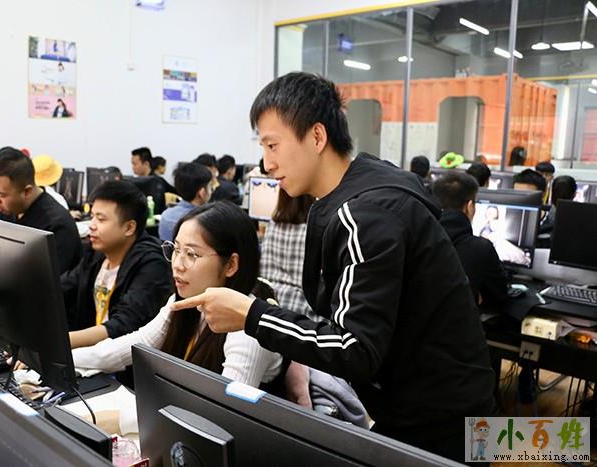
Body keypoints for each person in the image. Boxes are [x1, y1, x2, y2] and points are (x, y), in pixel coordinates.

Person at [170, 72, 494, 462]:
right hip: (427, 400)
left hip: (440, 415)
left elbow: (355, 349)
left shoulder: (366, 215)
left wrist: (252, 315)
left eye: (273, 145)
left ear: (317, 136)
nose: (267, 164)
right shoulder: (354, 196)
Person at [72, 202, 282, 389]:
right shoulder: (184, 299)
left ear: (231, 265)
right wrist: (63, 359)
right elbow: (134, 344)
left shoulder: (247, 322)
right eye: (176, 250)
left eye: (191, 254)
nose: (177, 265)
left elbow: (229, 404)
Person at [63, 181, 173, 348]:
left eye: (101, 219)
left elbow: (124, 325)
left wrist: (60, 343)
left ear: (129, 227)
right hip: (92, 353)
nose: (91, 225)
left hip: (123, 357)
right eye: (92, 216)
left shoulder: (152, 264)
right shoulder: (97, 254)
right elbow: (64, 286)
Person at [0, 147, 82, 274]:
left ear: (27, 191)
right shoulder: (8, 211)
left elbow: (49, 281)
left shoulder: (57, 226)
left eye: (1, 195)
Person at [433, 173, 507, 308]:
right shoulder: (481, 248)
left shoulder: (421, 238)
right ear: (470, 206)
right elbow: (499, 296)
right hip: (460, 320)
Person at [260, 190, 319, 321]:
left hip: (270, 305)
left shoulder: (272, 225)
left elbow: (264, 272)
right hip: (302, 311)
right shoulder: (314, 230)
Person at [159, 163, 212, 242]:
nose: (212, 190)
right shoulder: (204, 221)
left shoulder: (166, 214)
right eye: (210, 186)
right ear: (202, 192)